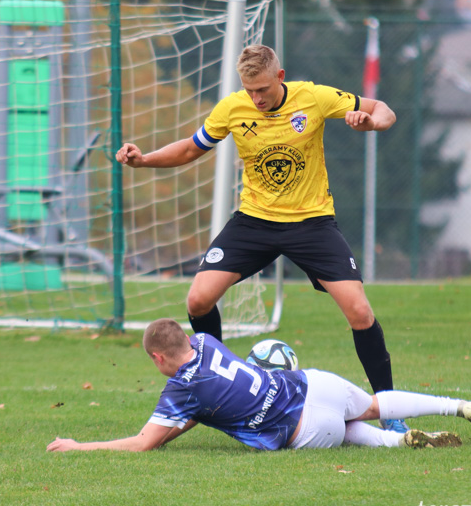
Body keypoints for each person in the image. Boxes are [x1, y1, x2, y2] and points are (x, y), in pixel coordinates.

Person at [115, 44, 406, 431]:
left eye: (263, 90)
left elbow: (383, 109)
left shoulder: (314, 97)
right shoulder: (233, 108)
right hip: (254, 222)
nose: (257, 98)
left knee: (359, 311)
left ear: (280, 77)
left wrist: (370, 123)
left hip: (312, 223)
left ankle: (390, 412)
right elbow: (190, 148)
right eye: (250, 91)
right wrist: (144, 159)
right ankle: (212, 386)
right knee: (198, 299)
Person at [47, 319, 471, 453]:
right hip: (313, 383)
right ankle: (457, 405)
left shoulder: (180, 391)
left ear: (157, 358)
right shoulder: (205, 340)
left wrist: (76, 446)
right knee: (372, 406)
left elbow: (144, 444)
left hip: (302, 429)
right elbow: (209, 405)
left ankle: (401, 446)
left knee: (346, 433)